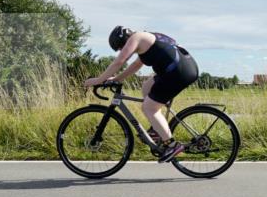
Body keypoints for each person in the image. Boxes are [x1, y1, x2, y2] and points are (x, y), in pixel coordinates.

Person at [84, 26, 199, 162]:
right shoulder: (145, 40)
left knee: (149, 108)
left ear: (124, 40)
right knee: (146, 88)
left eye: (121, 48)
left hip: (178, 72)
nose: (122, 51)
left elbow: (119, 61)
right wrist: (117, 79)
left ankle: (172, 145)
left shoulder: (136, 37)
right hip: (180, 68)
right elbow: (136, 65)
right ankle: (157, 130)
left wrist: (98, 80)